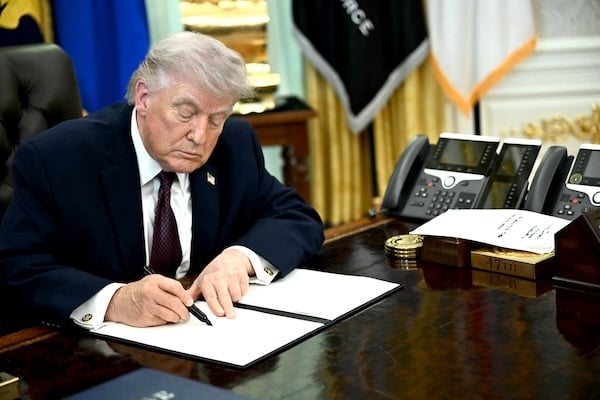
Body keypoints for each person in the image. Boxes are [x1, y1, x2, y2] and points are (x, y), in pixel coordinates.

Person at [0, 31, 324, 330]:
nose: (200, 136)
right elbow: (17, 267)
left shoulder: (233, 145)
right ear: (144, 98)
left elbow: (297, 216)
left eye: (216, 119)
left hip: (204, 337)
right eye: (186, 113)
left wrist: (240, 258)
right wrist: (115, 300)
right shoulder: (57, 158)